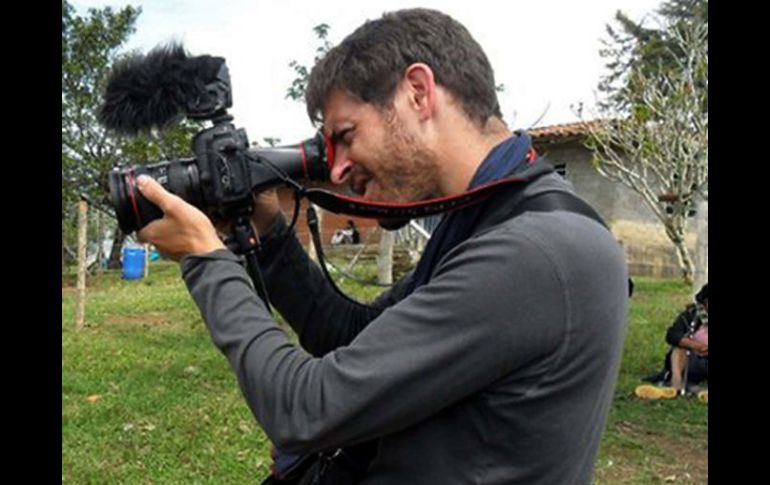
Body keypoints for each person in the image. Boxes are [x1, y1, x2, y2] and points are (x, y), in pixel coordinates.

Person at [134, 8, 629, 484]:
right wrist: (268, 231)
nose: (337, 169)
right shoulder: (495, 218)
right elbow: (353, 336)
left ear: (418, 92)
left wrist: (206, 259)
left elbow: (307, 410)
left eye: (345, 136)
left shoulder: (535, 252)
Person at [636, 283, 708, 401]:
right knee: (679, 348)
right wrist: (693, 345)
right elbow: (672, 335)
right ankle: (676, 384)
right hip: (692, 360)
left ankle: (698, 390)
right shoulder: (690, 315)